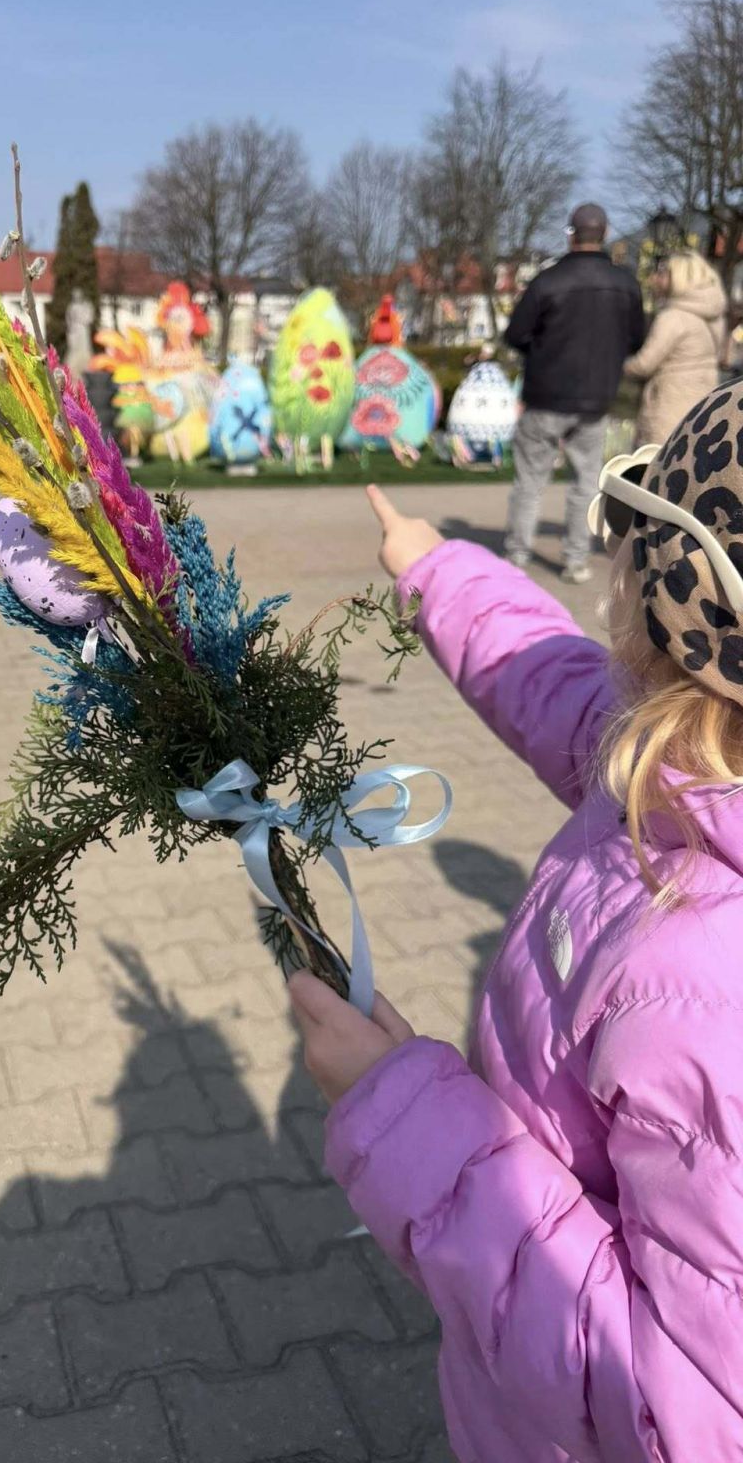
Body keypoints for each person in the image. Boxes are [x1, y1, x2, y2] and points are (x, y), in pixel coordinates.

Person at [289, 431, 743, 1460]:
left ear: (666, 618)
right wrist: (440, 570)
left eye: (625, 549)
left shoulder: (707, 997)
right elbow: (557, 686)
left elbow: (672, 1409)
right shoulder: (682, 761)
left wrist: (407, 1118)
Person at [503, 202, 645, 583]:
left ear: (571, 235)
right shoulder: (625, 284)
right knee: (585, 483)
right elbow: (636, 340)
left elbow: (515, 334)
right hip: (595, 398)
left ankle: (516, 555)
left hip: (545, 396)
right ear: (605, 233)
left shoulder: (547, 282)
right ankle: (575, 560)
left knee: (530, 481)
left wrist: (543, 350)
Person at [623, 251, 726, 445]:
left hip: (668, 406)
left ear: (678, 278)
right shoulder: (714, 316)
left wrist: (620, 365)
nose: (655, 278)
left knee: (657, 459)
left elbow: (645, 364)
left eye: (663, 273)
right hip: (702, 407)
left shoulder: (672, 317)